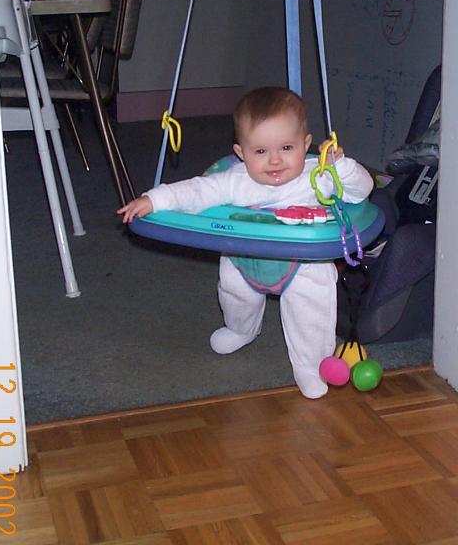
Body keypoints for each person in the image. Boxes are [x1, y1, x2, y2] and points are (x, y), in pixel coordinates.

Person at [118, 87, 373, 399]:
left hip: (302, 264)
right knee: (235, 293)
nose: (275, 160)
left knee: (312, 309)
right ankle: (241, 329)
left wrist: (341, 168)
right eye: (261, 152)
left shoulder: (318, 176)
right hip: (245, 259)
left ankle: (311, 364)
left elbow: (361, 190)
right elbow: (196, 191)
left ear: (306, 145)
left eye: (287, 147)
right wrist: (155, 200)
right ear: (241, 153)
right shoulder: (235, 180)